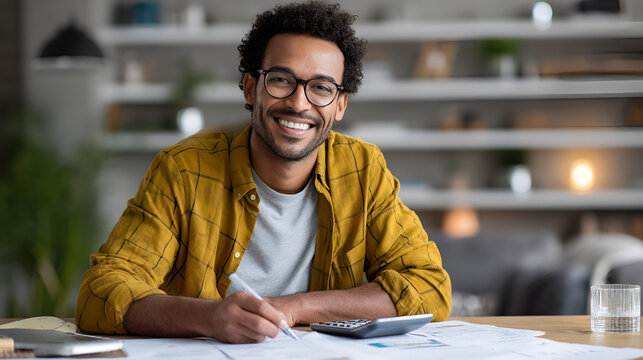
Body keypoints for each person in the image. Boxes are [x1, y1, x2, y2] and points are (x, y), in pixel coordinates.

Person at [76, 1, 451, 344]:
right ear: (250, 86)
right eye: (282, 80)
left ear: (340, 105)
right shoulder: (183, 170)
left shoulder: (363, 170)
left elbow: (428, 286)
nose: (299, 103)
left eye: (321, 87)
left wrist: (293, 308)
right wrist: (209, 317)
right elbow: (100, 292)